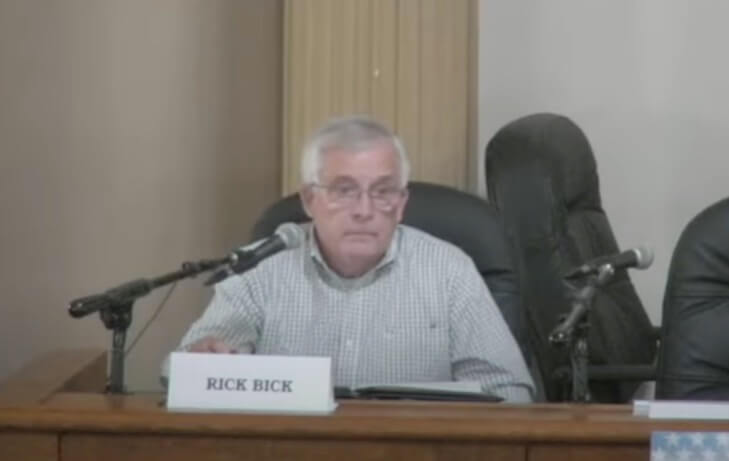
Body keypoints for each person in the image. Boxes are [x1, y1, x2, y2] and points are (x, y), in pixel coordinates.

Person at [166, 115, 535, 402]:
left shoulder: (449, 270)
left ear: (401, 204)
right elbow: (184, 372)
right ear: (309, 200)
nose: (363, 210)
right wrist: (204, 361)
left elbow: (510, 391)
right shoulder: (260, 267)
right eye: (344, 191)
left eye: (383, 191)